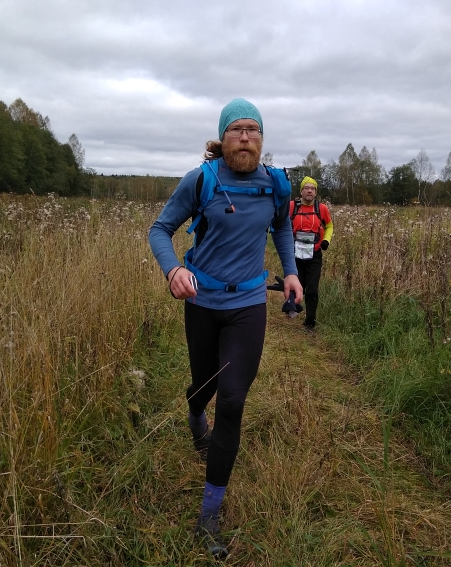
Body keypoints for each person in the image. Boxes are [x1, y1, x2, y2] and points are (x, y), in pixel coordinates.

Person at [148, 98, 303, 558]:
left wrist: (291, 272)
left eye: (253, 129)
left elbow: (282, 228)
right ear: (223, 138)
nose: (245, 137)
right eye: (236, 129)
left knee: (232, 400)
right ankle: (195, 412)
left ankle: (209, 515)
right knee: (204, 385)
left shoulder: (276, 184)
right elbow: (159, 229)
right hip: (202, 301)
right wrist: (173, 270)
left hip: (248, 304)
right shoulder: (202, 180)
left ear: (262, 139)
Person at [289, 176, 333, 331]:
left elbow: (329, 226)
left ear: (315, 192)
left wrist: (326, 240)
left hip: (314, 254)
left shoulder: (321, 208)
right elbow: (283, 225)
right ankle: (292, 309)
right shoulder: (292, 206)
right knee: (298, 285)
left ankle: (310, 322)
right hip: (296, 254)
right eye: (306, 188)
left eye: (312, 188)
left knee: (312, 288)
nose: (309, 191)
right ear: (301, 191)